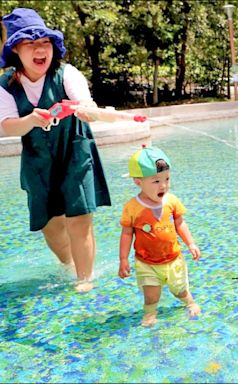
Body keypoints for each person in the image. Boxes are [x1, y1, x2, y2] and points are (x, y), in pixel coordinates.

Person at [0, 8, 111, 292]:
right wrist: (31, 120)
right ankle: (68, 265)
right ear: (16, 50)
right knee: (50, 226)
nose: (41, 50)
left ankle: (84, 279)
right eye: (32, 44)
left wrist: (88, 111)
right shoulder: (5, 86)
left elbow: (86, 104)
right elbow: (8, 127)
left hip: (75, 151)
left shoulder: (67, 74)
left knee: (79, 218)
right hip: (38, 160)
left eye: (45, 43)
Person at [118, 145, 201, 327]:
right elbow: (126, 233)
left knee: (179, 290)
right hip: (147, 262)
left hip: (173, 259)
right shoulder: (133, 207)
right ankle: (150, 313)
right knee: (151, 295)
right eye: (156, 181)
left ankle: (190, 302)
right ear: (138, 182)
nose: (163, 185)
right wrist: (123, 259)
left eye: (167, 179)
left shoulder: (171, 201)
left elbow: (180, 223)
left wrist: (191, 244)